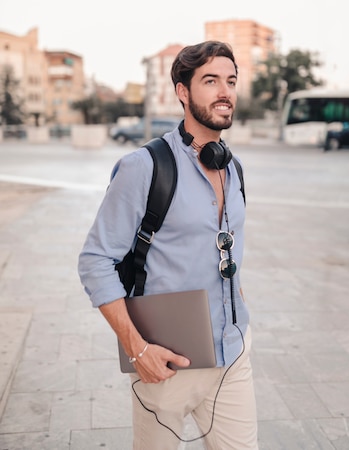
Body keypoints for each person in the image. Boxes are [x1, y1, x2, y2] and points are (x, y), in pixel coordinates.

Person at [78, 40, 258, 449]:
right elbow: (95, 261)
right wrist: (137, 349)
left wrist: (240, 310)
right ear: (183, 91)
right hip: (167, 363)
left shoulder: (233, 167)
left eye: (231, 80)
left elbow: (228, 249)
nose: (224, 92)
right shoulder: (144, 167)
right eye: (210, 80)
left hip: (233, 352)